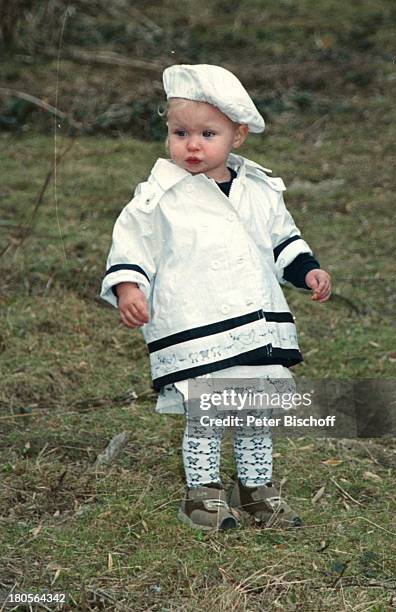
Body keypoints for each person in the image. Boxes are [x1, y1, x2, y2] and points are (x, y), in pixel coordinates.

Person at [101, 64, 331, 531]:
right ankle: (202, 495)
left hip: (256, 324)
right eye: (180, 132)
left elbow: (283, 240)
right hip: (196, 323)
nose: (192, 144)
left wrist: (308, 272)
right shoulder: (158, 197)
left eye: (208, 133)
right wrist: (129, 286)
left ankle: (256, 490)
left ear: (237, 136)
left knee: (254, 410)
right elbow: (133, 243)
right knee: (206, 413)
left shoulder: (262, 190)